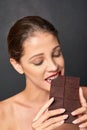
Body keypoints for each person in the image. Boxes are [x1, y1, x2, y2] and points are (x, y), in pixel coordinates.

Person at [0, 16, 87, 130]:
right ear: (17, 65)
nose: (54, 66)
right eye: (38, 61)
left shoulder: (84, 95)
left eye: (56, 54)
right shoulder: (3, 115)